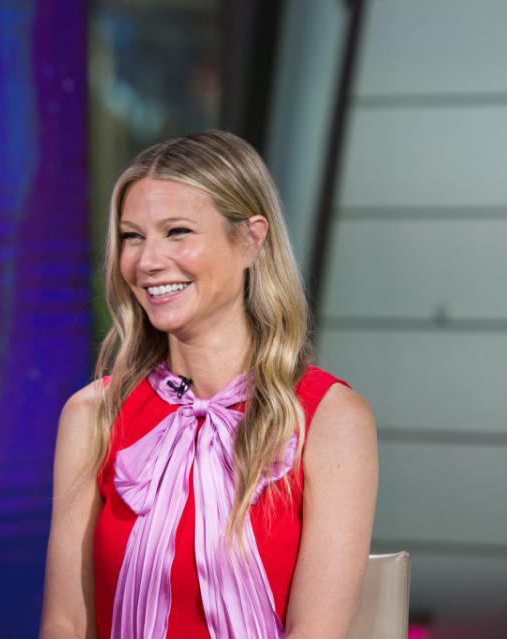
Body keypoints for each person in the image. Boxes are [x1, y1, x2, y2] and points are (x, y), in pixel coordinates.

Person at [40, 130, 377, 639]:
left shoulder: (330, 419)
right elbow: (65, 623)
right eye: (133, 236)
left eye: (177, 231)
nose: (147, 261)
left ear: (251, 239)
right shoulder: (93, 415)